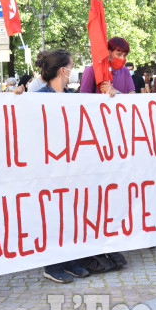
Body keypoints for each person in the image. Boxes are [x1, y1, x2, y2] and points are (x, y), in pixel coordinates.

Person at [36, 49, 91, 282]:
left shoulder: (71, 96)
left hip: (70, 166)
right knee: (52, 215)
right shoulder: (37, 96)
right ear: (63, 70)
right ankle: (52, 264)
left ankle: (70, 260)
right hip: (48, 167)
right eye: (72, 65)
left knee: (70, 214)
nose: (74, 70)